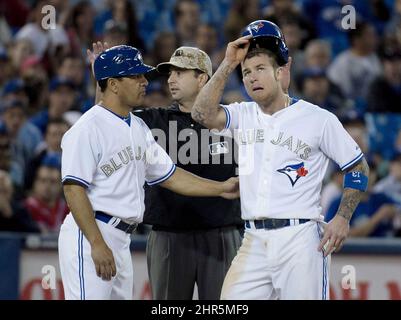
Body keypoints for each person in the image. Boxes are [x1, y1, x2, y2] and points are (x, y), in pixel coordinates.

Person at [190, 20, 369, 300]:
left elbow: (357, 167)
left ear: (280, 72)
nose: (252, 77)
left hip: (299, 238)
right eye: (246, 72)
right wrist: (227, 65)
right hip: (252, 239)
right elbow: (201, 115)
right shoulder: (243, 114)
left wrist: (342, 218)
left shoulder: (318, 119)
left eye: (260, 69)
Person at [58, 44, 239, 300]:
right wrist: (97, 243)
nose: (145, 81)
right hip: (95, 231)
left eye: (142, 75)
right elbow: (73, 189)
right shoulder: (89, 127)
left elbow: (170, 175)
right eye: (136, 76)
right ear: (114, 84)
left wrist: (221, 188)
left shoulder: (139, 127)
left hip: (123, 237)